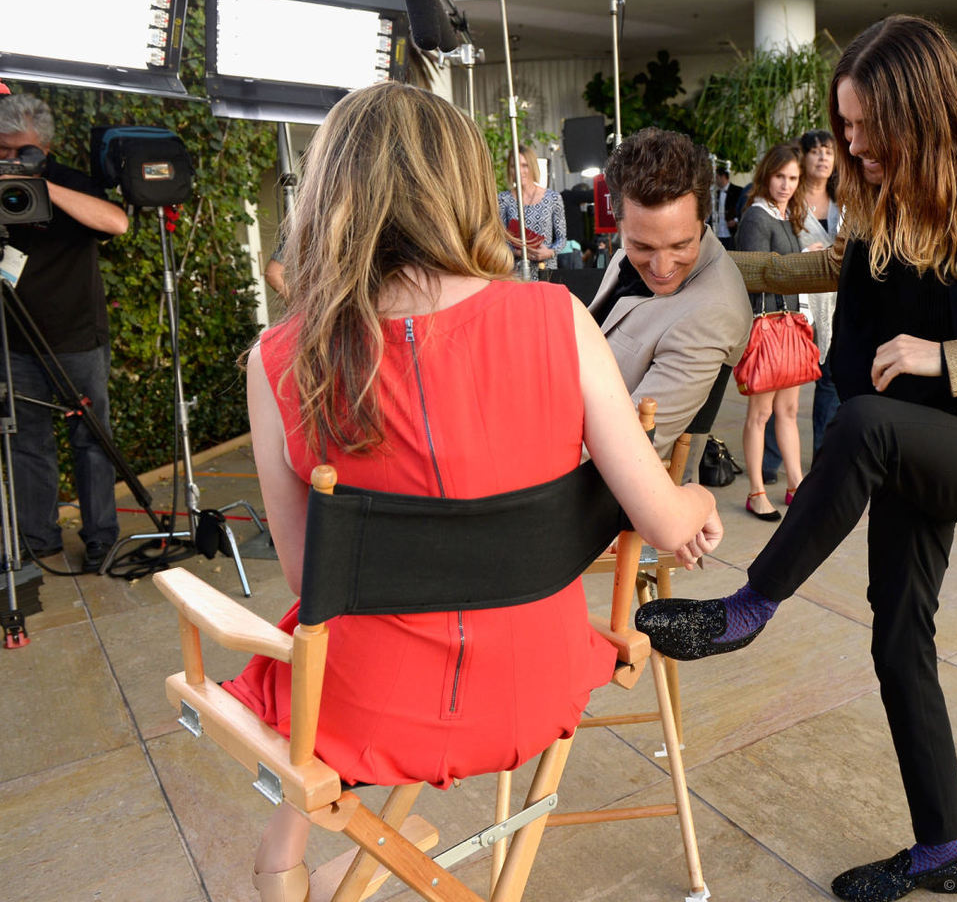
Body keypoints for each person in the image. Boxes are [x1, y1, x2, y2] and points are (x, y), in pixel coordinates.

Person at [635, 15, 957, 902]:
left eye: (866, 127)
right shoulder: (887, 193)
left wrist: (951, 359)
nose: (850, 146)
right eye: (846, 125)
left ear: (922, 110)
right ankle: (945, 853)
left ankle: (750, 608)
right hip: (903, 440)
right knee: (900, 641)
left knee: (858, 421)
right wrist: (700, 258)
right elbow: (829, 266)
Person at [224, 84, 723, 902]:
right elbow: (665, 522)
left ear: (328, 197)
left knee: (300, 673)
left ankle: (282, 862)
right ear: (461, 188)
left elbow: (308, 576)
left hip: (366, 714)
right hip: (537, 687)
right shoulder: (556, 319)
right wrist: (698, 508)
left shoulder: (279, 360)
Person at [0, 94, 128, 572]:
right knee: (26, 440)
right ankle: (39, 539)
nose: (11, 161)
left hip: (75, 337)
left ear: (45, 147)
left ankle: (101, 538)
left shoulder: (70, 182)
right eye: (2, 151)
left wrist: (42, 184)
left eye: (22, 152)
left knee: (91, 438)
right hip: (13, 339)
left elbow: (116, 222)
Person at [587, 127, 753, 460]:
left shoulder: (713, 314)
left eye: (681, 245)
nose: (662, 267)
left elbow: (630, 449)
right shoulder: (623, 257)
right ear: (619, 225)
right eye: (642, 245)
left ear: (704, 219)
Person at [761, 130, 843, 486]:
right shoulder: (789, 202)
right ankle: (770, 460)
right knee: (780, 382)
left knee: (831, 384)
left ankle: (824, 458)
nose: (823, 158)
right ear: (803, 157)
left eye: (829, 151)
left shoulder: (845, 199)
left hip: (838, 305)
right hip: (797, 306)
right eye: (816, 151)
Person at [735, 142, 810, 521]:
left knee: (789, 410)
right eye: (780, 176)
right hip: (765, 324)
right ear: (767, 175)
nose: (786, 184)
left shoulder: (785, 214)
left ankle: (796, 483)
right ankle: (756, 491)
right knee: (760, 413)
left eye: (793, 178)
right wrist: (800, 263)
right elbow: (754, 273)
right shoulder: (757, 217)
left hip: (789, 323)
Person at [497, 142, 567, 276]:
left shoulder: (553, 198)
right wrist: (519, 252)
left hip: (546, 269)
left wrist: (550, 252)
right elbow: (499, 240)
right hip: (516, 272)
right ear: (509, 170)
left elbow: (562, 238)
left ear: (532, 166)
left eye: (524, 165)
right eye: (514, 166)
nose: (519, 171)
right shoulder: (503, 199)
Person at [711, 165, 743, 249]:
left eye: (717, 177)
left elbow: (744, 209)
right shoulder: (716, 193)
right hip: (718, 232)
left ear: (723, 177)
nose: (715, 181)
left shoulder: (738, 191)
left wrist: (736, 220)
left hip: (732, 232)